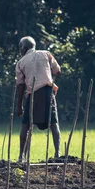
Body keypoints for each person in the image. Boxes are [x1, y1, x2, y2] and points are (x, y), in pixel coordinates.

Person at [15, 36, 61, 164]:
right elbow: (58, 71)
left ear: (24, 48)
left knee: (26, 125)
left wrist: (19, 106)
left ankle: (21, 157)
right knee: (54, 123)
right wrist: (48, 77)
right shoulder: (46, 54)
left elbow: (20, 85)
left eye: (20, 48)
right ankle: (58, 153)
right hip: (47, 92)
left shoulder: (21, 62)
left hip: (33, 94)